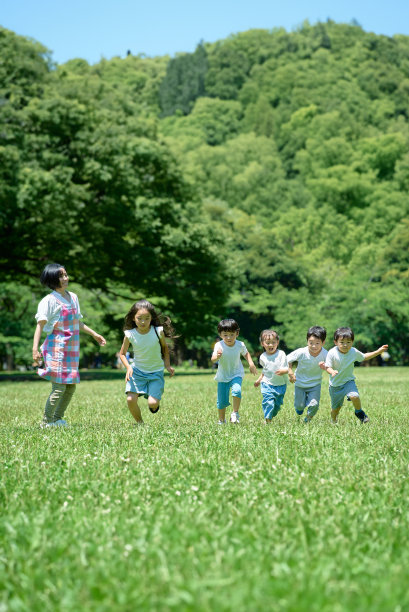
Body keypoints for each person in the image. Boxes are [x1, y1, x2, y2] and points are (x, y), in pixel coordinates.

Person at [32, 263, 106, 427]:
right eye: (61, 275)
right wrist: (34, 349)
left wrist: (94, 334)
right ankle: (46, 422)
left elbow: (76, 323)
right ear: (53, 279)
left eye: (66, 274)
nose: (66, 278)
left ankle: (57, 419)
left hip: (71, 349)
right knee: (59, 387)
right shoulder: (49, 301)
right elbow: (40, 325)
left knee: (70, 387)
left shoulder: (73, 297)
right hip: (56, 348)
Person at [119, 299, 175, 424]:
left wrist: (167, 365)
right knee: (130, 399)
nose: (143, 322)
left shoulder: (157, 331)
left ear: (151, 318)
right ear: (133, 318)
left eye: (147, 318)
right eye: (139, 318)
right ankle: (140, 423)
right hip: (137, 371)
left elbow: (165, 348)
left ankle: (154, 404)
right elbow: (122, 354)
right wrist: (128, 367)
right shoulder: (130, 334)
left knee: (153, 403)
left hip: (155, 372)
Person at [321, 326, 388, 425]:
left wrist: (378, 351)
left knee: (355, 396)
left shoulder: (353, 351)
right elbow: (327, 367)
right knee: (336, 408)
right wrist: (332, 372)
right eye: (342, 342)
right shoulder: (332, 353)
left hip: (348, 381)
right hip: (335, 385)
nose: (345, 345)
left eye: (348, 342)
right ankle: (333, 420)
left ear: (352, 342)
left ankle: (359, 412)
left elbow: (364, 357)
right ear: (336, 342)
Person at [211, 319, 257, 424]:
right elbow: (213, 359)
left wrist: (251, 363)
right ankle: (222, 420)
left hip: (236, 373)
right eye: (225, 335)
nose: (229, 338)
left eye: (232, 334)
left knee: (237, 391)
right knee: (222, 402)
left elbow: (246, 353)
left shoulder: (240, 344)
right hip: (223, 376)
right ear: (220, 334)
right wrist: (217, 356)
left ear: (237, 333)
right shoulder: (219, 345)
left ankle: (235, 413)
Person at [286, 326, 328, 423]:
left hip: (315, 384)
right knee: (299, 406)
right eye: (311, 343)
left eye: (317, 343)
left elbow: (331, 365)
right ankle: (299, 408)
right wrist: (290, 371)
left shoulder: (326, 354)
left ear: (323, 342)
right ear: (307, 341)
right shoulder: (301, 352)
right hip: (300, 383)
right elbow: (287, 359)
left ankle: (308, 419)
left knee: (314, 404)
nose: (314, 346)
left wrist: (325, 366)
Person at [254, 329, 288, 424]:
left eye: (273, 342)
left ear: (277, 342)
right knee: (268, 402)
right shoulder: (262, 357)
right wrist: (259, 379)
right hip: (267, 383)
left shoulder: (281, 354)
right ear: (262, 343)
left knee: (276, 406)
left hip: (280, 384)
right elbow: (265, 370)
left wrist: (283, 371)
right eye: (268, 343)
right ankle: (268, 421)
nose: (271, 345)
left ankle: (270, 415)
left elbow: (287, 369)